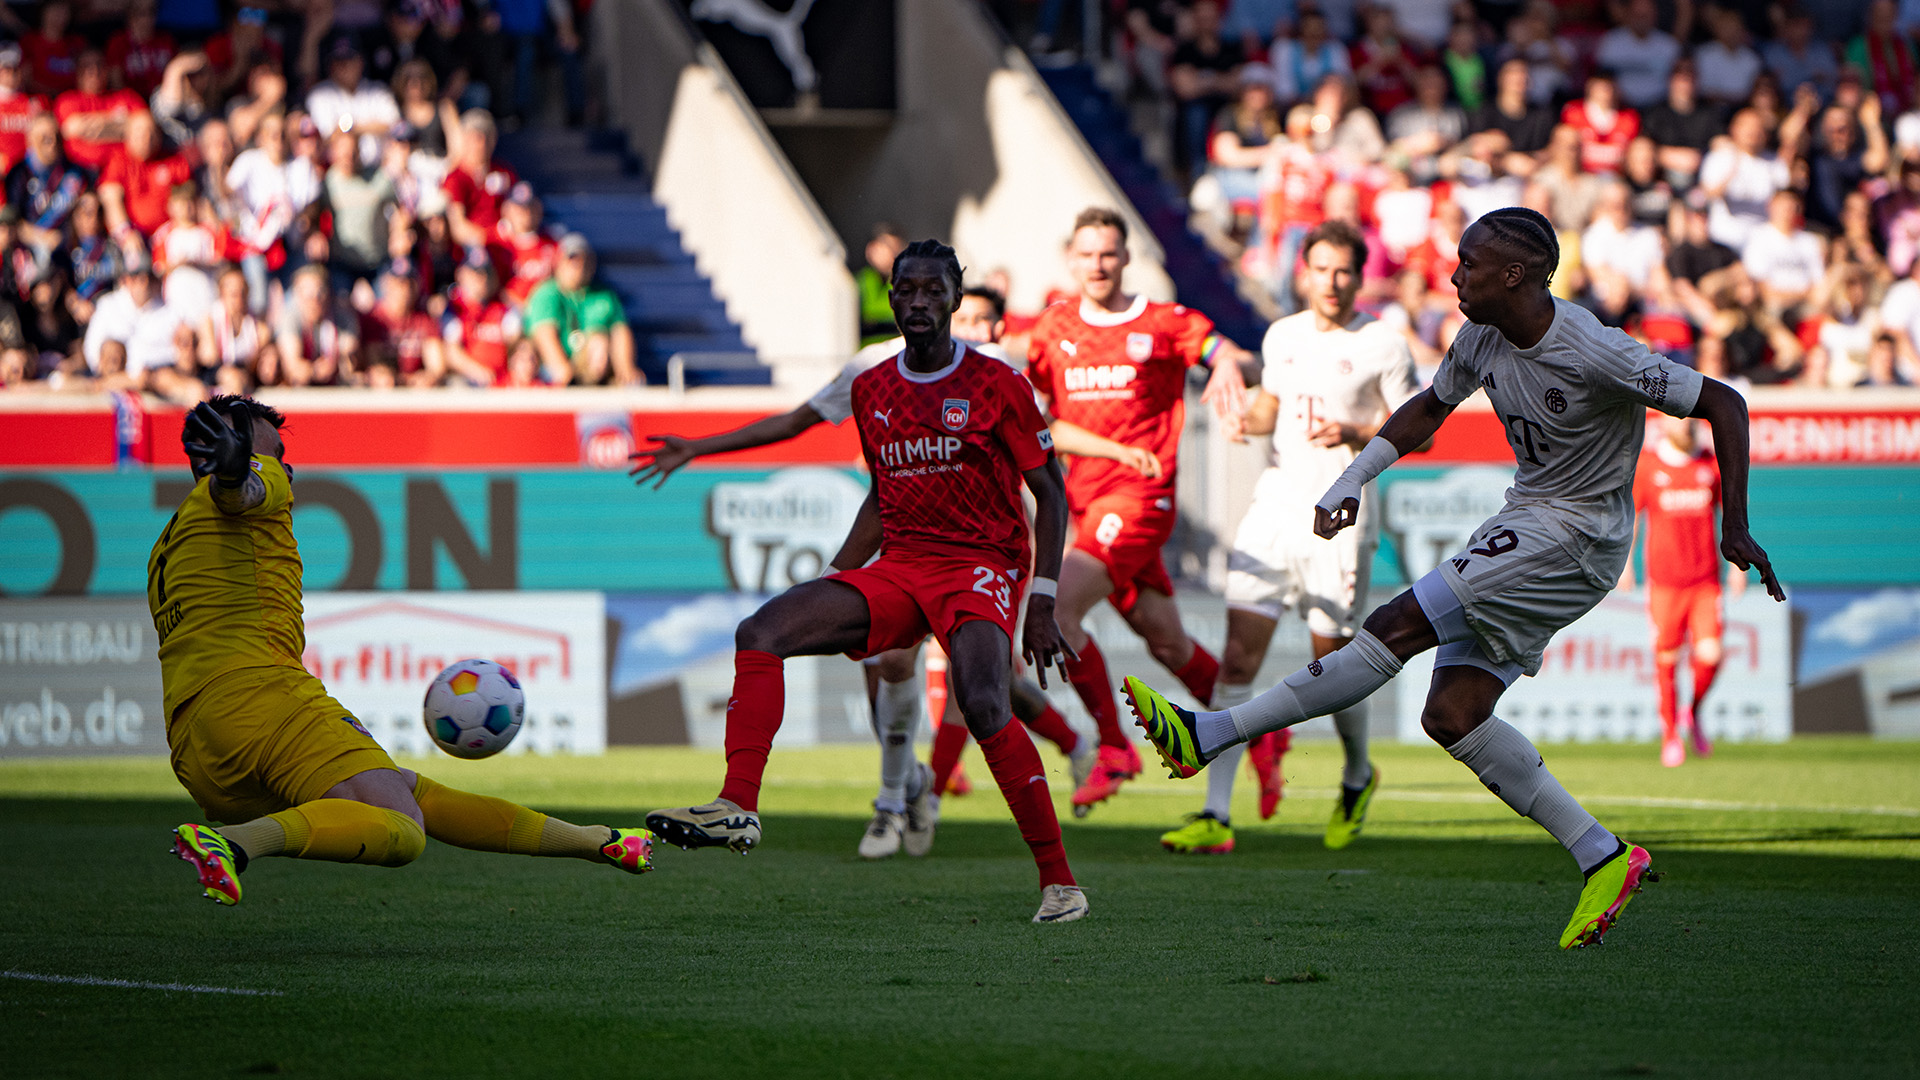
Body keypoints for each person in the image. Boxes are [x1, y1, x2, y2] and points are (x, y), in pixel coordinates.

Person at [1127, 205, 1784, 950]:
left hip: (1574, 536)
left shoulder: (1596, 350)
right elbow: (1430, 406)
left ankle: (1206, 735)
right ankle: (1603, 855)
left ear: (1516, 274)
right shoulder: (1480, 335)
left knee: (1395, 624)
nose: (1452, 274)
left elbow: (1724, 402)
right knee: (1452, 715)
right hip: (1531, 520)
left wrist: (1735, 522)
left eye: (1469, 263)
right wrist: (1355, 477)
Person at [643, 240, 1091, 924]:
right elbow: (884, 496)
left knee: (982, 700)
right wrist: (838, 578)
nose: (917, 302)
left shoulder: (998, 381)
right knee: (761, 633)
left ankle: (1059, 883)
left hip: (981, 566)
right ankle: (738, 805)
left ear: (955, 300)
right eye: (904, 290)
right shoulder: (871, 384)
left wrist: (1044, 598)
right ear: (888, 297)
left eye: (932, 291)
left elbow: (1051, 494)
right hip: (903, 566)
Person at [154, 396, 657, 907]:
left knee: (405, 790)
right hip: (261, 700)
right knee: (402, 826)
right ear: (236, 451)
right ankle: (234, 845)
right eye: (275, 450)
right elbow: (242, 490)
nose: (287, 463)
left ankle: (599, 841)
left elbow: (230, 499)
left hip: (196, 748)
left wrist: (232, 476)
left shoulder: (170, 541)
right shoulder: (257, 482)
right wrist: (238, 471)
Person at [1161, 221, 1418, 858]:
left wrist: (1358, 429)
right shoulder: (1281, 336)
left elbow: (1422, 431)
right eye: (1321, 269)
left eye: (1343, 272)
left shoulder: (1383, 344)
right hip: (1274, 510)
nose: (1331, 282)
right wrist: (1240, 411)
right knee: (1238, 660)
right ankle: (1217, 813)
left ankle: (1357, 773)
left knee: (1333, 663)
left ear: (1360, 277)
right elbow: (1272, 410)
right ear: (1303, 273)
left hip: (1338, 514)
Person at [1025, 206, 1250, 816]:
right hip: (1087, 503)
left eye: (1108, 253)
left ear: (1125, 258)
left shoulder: (1163, 321)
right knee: (1168, 643)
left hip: (1141, 498)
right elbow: (1036, 418)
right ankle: (1262, 731)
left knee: (1056, 607)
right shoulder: (1052, 331)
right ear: (1071, 260)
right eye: (1087, 254)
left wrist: (1227, 362)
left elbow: (1229, 352)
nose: (1098, 265)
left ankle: (1111, 746)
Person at [1622, 415, 1742, 767]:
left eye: (1691, 421)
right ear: (1667, 427)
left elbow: (1731, 516)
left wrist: (1737, 565)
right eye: (1680, 421)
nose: (1686, 427)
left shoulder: (1710, 463)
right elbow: (1632, 518)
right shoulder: (1648, 466)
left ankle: (1693, 712)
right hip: (1664, 582)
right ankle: (1671, 735)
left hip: (1706, 580)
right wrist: (1625, 564)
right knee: (1667, 658)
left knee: (1711, 654)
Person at [525, 233, 638, 386]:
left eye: (583, 260)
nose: (578, 266)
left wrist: (626, 368)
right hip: (551, 369)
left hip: (592, 367)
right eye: (572, 260)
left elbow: (620, 330)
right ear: (560, 262)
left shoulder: (603, 295)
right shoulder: (547, 292)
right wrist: (565, 373)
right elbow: (544, 336)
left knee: (599, 341)